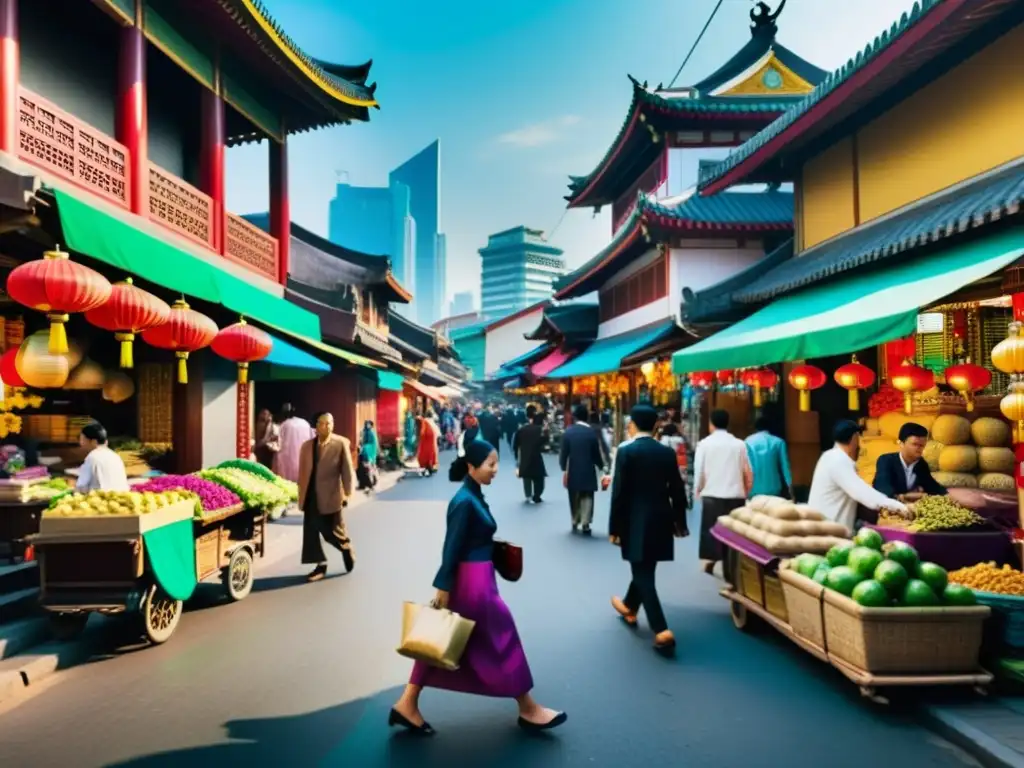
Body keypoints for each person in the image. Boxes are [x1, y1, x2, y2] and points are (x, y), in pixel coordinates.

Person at [389, 440, 566, 735]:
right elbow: (451, 549)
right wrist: (443, 589)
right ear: (471, 466)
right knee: (502, 638)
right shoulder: (464, 502)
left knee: (439, 639)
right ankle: (528, 708)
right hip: (474, 585)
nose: (496, 469)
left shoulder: (472, 496)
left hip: (478, 579)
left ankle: (407, 703)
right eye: (491, 464)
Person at [609, 404, 688, 655]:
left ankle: (661, 629)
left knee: (642, 572)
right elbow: (677, 488)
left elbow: (619, 493)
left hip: (634, 518)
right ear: (656, 425)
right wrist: (680, 522)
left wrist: (615, 526)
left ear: (631, 423)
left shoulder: (627, 452)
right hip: (661, 516)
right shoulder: (666, 452)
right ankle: (629, 605)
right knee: (645, 566)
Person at [809, 420, 909, 531]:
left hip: (824, 527)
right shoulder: (838, 461)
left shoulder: (829, 456)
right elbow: (864, 495)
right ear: (854, 439)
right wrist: (901, 507)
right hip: (829, 533)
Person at [297, 412, 356, 581]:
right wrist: (301, 494)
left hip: (331, 495)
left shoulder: (340, 443)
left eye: (330, 423)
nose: (327, 426)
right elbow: (302, 473)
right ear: (317, 426)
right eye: (323, 423)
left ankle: (345, 547)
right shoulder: (307, 446)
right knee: (311, 531)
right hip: (311, 495)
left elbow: (347, 471)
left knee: (334, 531)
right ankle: (320, 565)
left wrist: (347, 494)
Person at [693, 409, 752, 574]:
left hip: (712, 494)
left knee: (712, 531)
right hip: (736, 495)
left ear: (711, 424)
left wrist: (697, 490)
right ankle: (730, 566)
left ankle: (714, 562)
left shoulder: (704, 444)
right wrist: (746, 490)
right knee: (733, 533)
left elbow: (699, 471)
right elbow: (748, 471)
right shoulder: (739, 444)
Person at [559, 404, 607, 535]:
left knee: (573, 495)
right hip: (588, 469)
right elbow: (596, 454)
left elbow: (564, 454)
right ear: (587, 417)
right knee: (587, 496)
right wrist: (602, 467)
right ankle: (586, 522)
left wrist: (564, 468)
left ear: (575, 417)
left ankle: (575, 519)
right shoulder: (591, 433)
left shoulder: (568, 432)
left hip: (573, 469)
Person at [873, 422, 948, 502]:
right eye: (914, 444)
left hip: (911, 507)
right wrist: (905, 496)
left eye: (922, 445)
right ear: (901, 443)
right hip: (886, 507)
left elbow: (932, 486)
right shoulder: (886, 460)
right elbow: (882, 487)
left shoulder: (921, 464)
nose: (919, 449)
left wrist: (947, 495)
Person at [745, 416, 793, 499]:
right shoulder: (778, 442)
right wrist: (790, 486)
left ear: (755, 427)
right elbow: (785, 466)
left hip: (753, 488)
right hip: (773, 488)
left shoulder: (748, 441)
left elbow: (745, 466)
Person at [75, 421, 129, 493]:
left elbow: (81, 486)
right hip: (122, 496)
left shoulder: (92, 457)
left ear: (93, 441)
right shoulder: (115, 455)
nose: (81, 443)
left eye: (82, 440)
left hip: (102, 499)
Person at [513, 411, 548, 503]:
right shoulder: (540, 430)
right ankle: (537, 495)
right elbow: (543, 442)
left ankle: (528, 495)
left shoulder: (521, 429)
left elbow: (515, 444)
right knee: (539, 479)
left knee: (526, 478)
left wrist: (517, 456)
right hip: (536, 457)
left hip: (525, 457)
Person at [274, 403, 314, 483]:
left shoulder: (284, 425)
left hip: (287, 459)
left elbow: (278, 443)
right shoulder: (305, 423)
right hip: (303, 460)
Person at [357, 420, 379, 492]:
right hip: (364, 453)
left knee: (368, 469)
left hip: (369, 454)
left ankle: (370, 484)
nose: (367, 425)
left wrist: (364, 447)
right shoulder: (364, 432)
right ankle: (362, 484)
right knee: (361, 470)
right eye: (366, 424)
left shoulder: (371, 433)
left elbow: (373, 445)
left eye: (368, 424)